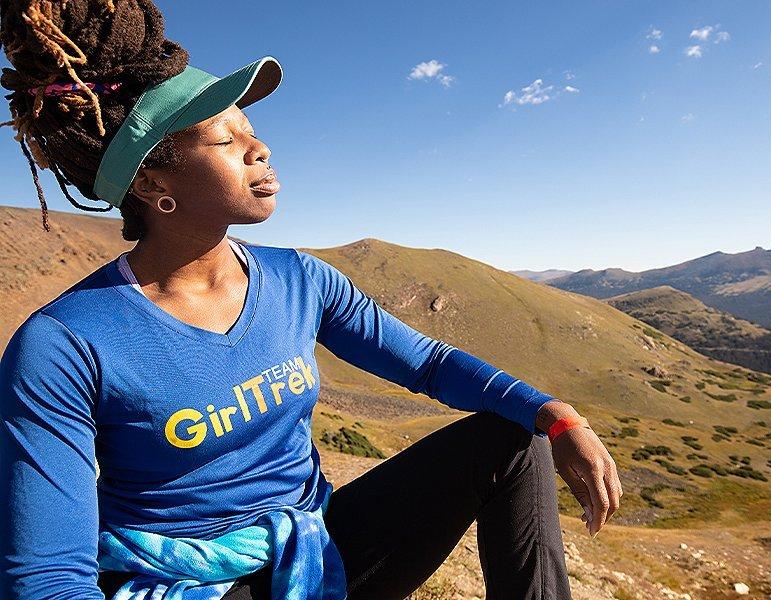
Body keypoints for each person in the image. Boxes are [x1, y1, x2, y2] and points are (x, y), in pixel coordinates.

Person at [0, 1, 622, 598]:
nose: (261, 150)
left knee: (512, 438)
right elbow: (49, 574)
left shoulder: (298, 278)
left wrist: (554, 413)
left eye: (254, 131)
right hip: (188, 582)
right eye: (226, 141)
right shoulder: (64, 344)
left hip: (319, 546)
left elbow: (426, 364)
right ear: (153, 182)